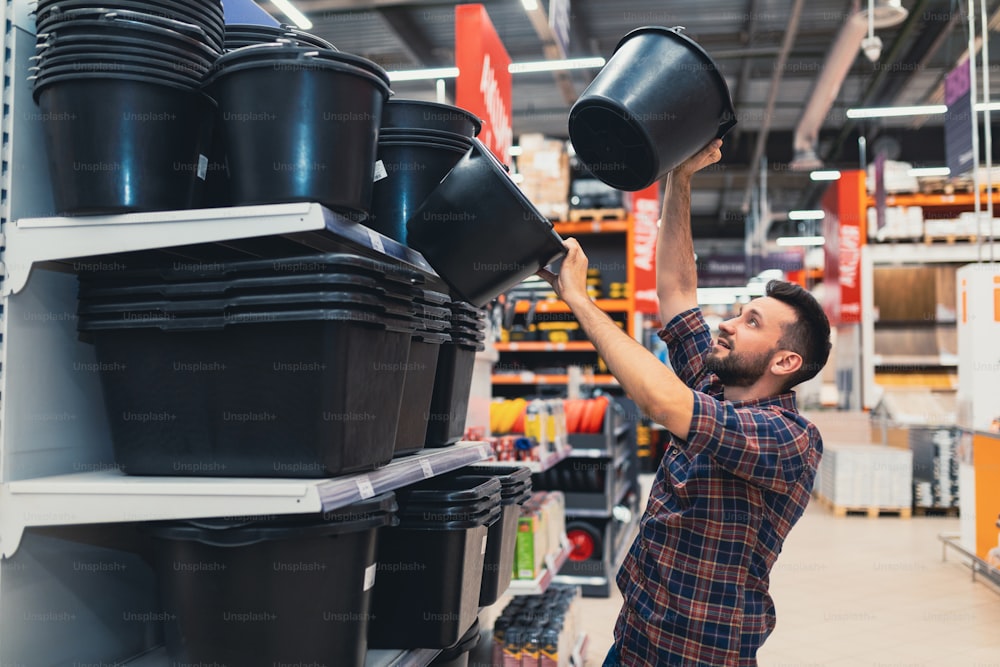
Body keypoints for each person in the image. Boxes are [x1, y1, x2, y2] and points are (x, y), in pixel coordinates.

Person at [537, 138, 831, 666]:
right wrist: (680, 178)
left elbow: (663, 402)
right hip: (633, 641)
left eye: (751, 323)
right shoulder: (716, 385)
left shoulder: (791, 440)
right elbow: (676, 291)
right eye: (740, 312)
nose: (728, 323)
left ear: (785, 363)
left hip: (699, 658)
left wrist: (579, 300)